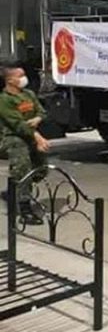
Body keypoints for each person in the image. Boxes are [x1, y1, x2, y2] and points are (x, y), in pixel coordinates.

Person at [0, 65, 50, 225]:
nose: (24, 78)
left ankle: (16, 187)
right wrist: (38, 137)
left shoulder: (28, 94)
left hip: (30, 135)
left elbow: (41, 111)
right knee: (23, 168)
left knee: (41, 169)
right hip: (12, 138)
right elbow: (18, 124)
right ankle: (25, 210)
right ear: (10, 80)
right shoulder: (4, 100)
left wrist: (38, 119)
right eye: (20, 76)